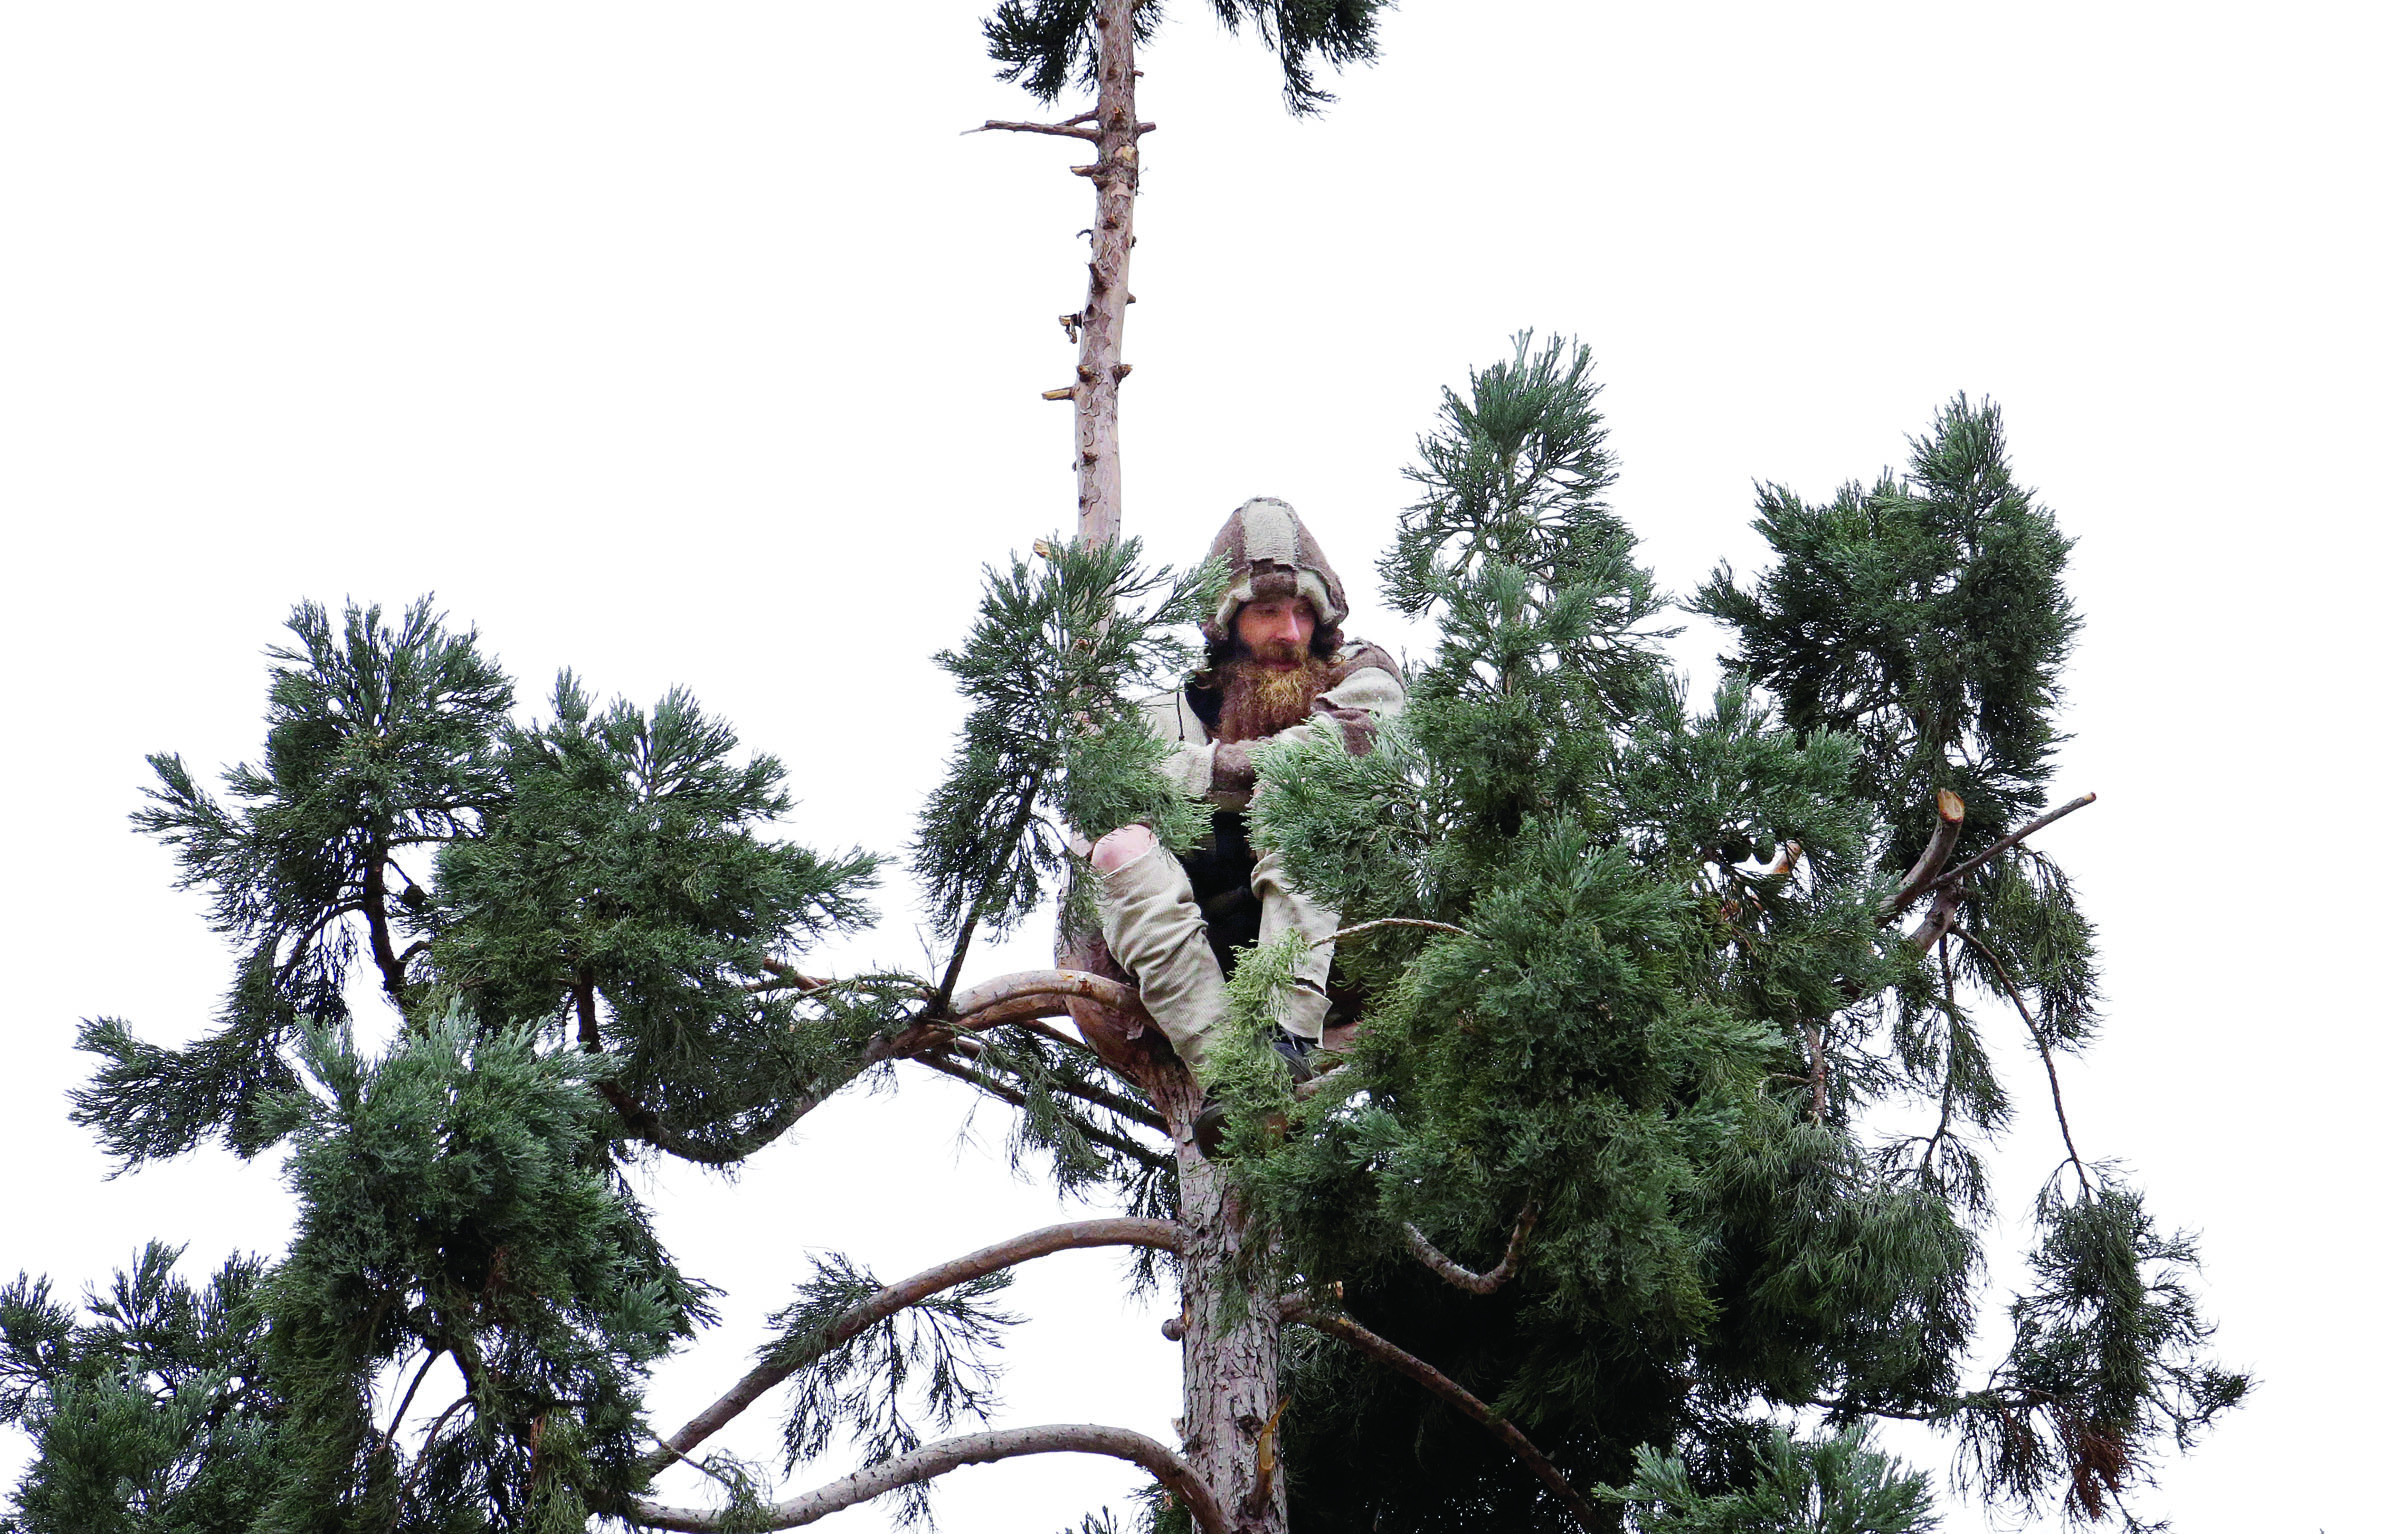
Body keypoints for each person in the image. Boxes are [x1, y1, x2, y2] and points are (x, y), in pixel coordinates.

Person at [1088, 497, 1406, 1088]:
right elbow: (1111, 786)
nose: (1290, 633)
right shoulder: (1166, 715)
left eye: (1303, 613)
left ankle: (1284, 1038)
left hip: (1342, 960)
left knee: (1308, 790)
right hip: (1201, 962)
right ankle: (1232, 1081)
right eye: (1266, 612)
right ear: (1228, 623)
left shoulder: (1362, 672)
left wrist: (1200, 776)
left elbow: (1347, 748)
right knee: (1115, 850)